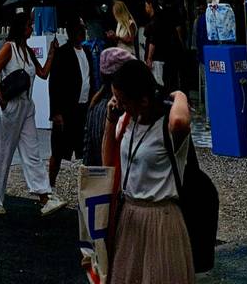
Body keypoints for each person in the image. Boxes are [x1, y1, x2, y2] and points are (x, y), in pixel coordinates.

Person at [101, 59, 194, 284]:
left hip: (161, 219)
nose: (119, 105)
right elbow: (107, 162)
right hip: (129, 216)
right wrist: (111, 120)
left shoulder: (167, 127)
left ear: (143, 100)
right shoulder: (127, 121)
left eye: (123, 101)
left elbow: (180, 121)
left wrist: (180, 95)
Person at [0, 11, 64, 216]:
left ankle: (44, 196)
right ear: (21, 28)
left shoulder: (27, 50)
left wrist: (52, 53)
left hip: (26, 105)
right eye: (29, 25)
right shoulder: (9, 48)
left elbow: (43, 74)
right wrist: (2, 102)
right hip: (11, 105)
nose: (31, 28)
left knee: (32, 151)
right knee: (2, 153)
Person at [48, 18, 95, 186]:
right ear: (71, 32)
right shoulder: (62, 53)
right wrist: (55, 112)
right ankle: (50, 184)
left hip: (84, 107)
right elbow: (54, 84)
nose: (83, 32)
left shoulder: (87, 52)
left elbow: (90, 78)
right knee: (58, 150)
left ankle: (89, 184)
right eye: (79, 29)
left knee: (86, 149)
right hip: (67, 109)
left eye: (83, 28)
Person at [82, 47, 136, 166]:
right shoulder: (120, 109)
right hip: (117, 173)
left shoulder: (94, 106)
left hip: (102, 174)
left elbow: (88, 154)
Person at [144, 0, 180, 94]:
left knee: (158, 83)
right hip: (162, 56)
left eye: (146, 5)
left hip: (157, 58)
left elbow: (153, 41)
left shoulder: (156, 21)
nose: (145, 8)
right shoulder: (160, 19)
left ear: (150, 5)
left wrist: (149, 57)